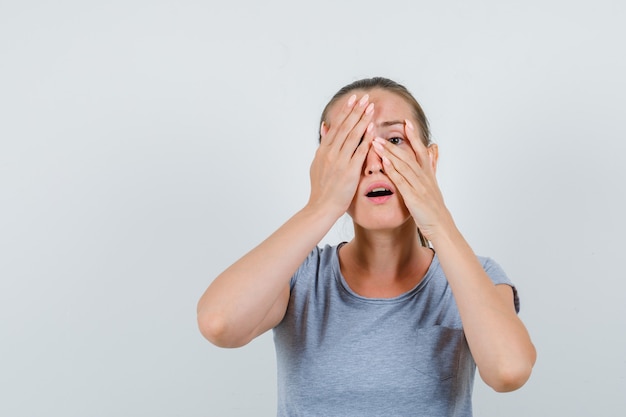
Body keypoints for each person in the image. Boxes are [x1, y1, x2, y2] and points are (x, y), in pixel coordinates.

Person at [197, 77, 536, 416]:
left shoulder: (475, 276)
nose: (374, 162)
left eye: (393, 139)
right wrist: (321, 206)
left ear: (429, 161)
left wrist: (439, 221)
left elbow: (509, 371)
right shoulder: (300, 276)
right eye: (353, 145)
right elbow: (219, 323)